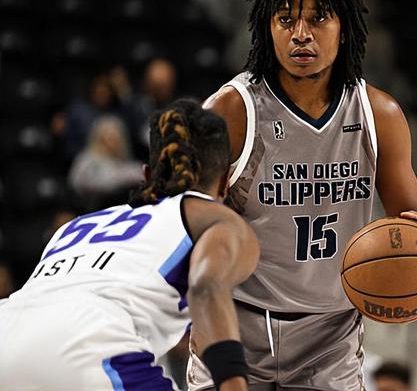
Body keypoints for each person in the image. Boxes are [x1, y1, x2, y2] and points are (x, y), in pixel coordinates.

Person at [187, 0, 417, 391]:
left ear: (344, 28)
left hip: (330, 336)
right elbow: (188, 225)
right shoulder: (231, 111)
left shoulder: (379, 114)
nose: (301, 33)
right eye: (285, 19)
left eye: (317, 19)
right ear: (267, 29)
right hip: (237, 321)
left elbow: (411, 220)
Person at [0, 99, 260, 391]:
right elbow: (205, 288)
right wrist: (233, 381)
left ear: (147, 175)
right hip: (92, 344)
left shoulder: (74, 226)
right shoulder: (214, 218)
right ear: (225, 182)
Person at [68, 115, 144, 212]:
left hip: (122, 211)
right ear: (100, 138)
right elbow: (85, 183)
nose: (114, 140)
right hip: (92, 210)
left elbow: (140, 174)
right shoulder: (86, 160)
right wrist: (123, 178)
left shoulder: (125, 162)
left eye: (117, 136)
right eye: (109, 135)